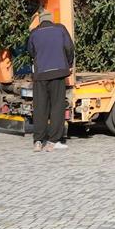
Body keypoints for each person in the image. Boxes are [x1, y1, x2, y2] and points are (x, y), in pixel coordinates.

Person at [27, 10, 74, 152]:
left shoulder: (34, 33)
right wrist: (69, 64)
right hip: (58, 73)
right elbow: (69, 48)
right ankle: (53, 141)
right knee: (57, 107)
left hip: (40, 75)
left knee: (40, 107)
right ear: (51, 19)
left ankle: (38, 141)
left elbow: (30, 51)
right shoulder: (60, 29)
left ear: (40, 20)